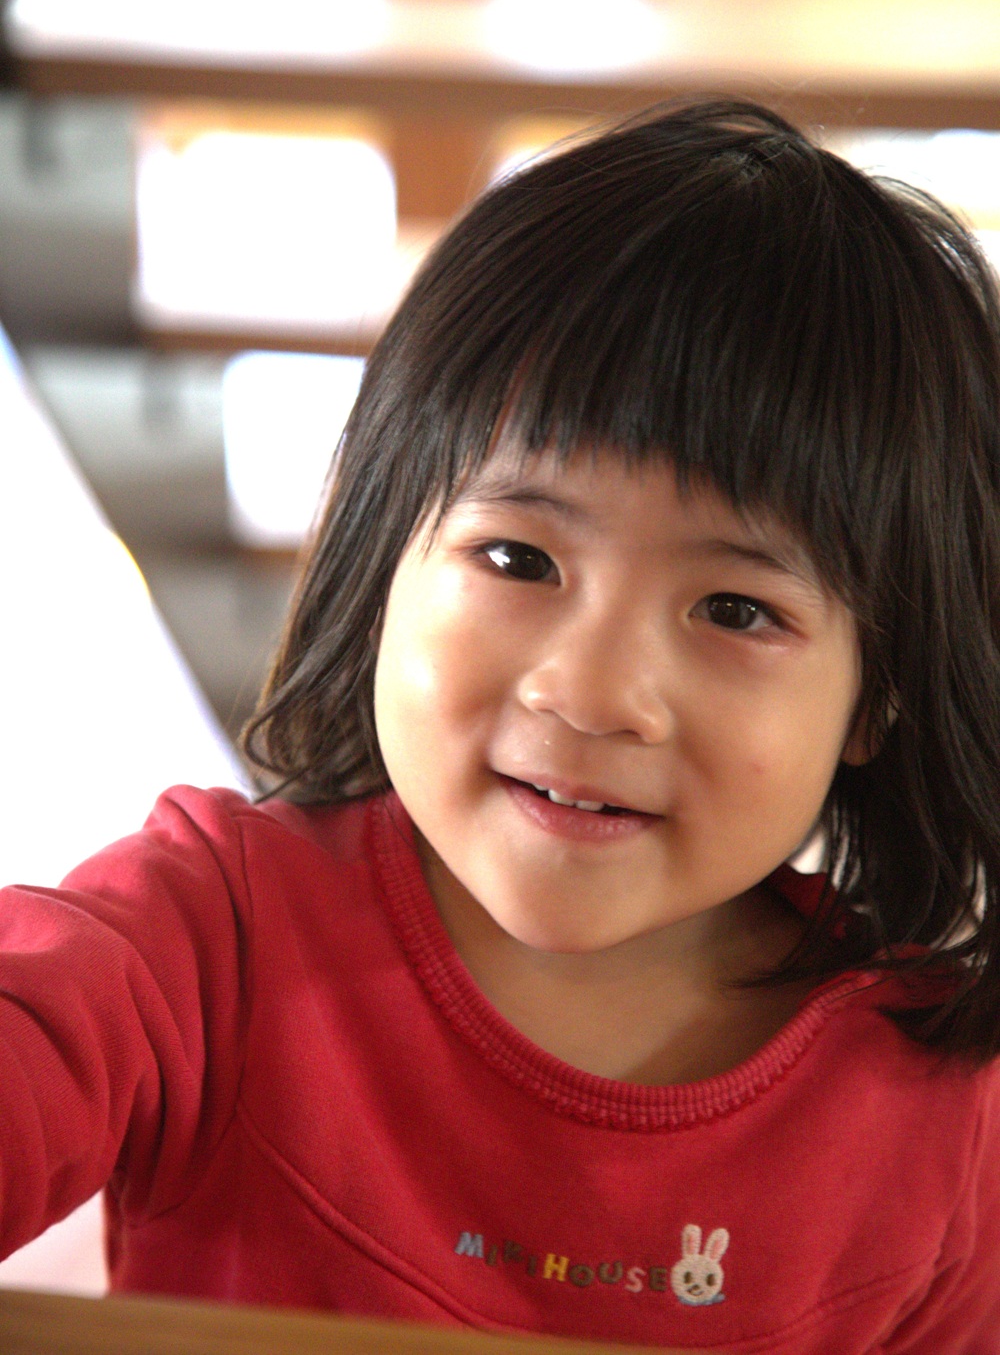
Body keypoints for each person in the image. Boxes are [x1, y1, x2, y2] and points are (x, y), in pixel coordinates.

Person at [2, 100, 1000, 1355]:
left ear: (878, 695)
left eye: (736, 609)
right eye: (519, 557)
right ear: (381, 558)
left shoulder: (946, 1121)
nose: (589, 693)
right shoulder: (201, 938)